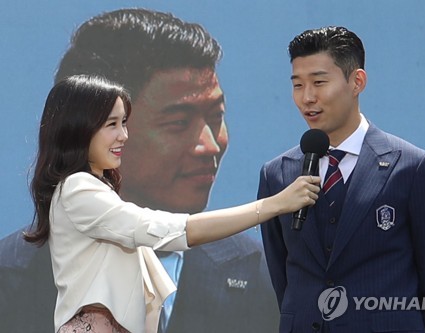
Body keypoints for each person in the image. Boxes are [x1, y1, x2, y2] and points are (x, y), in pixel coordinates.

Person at [0, 9, 279, 332]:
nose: (210, 146)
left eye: (216, 116)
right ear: (86, 130)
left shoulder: (261, 275)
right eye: (178, 123)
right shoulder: (10, 276)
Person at [24, 74, 320, 333]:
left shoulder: (93, 190)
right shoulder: (78, 188)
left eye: (124, 123)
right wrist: (273, 205)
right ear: (79, 129)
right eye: (111, 125)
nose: (124, 135)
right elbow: (172, 229)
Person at [258, 26, 425, 333]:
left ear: (357, 82)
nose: (307, 97)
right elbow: (282, 275)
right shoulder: (278, 173)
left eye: (319, 82)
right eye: (298, 85)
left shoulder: (412, 168)